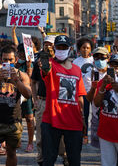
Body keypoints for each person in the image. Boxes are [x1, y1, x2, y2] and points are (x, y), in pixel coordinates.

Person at [39, 35, 87, 166]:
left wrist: (83, 118)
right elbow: (45, 71)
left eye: (64, 47)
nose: (61, 50)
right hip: (51, 121)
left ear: (69, 49)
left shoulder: (77, 70)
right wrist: (44, 64)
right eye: (58, 47)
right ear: (54, 48)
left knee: (74, 160)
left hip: (74, 121)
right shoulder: (50, 65)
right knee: (48, 159)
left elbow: (80, 96)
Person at [0, 45, 32, 166]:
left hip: (13, 120)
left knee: (11, 152)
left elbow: (28, 94)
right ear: (1, 60)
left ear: (15, 60)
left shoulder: (22, 75)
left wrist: (17, 80)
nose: (8, 62)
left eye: (10, 60)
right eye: (5, 60)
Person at [83, 47, 110, 148]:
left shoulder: (114, 73)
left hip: (112, 115)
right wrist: (94, 87)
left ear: (108, 58)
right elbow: (89, 99)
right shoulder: (89, 75)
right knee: (101, 147)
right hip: (97, 116)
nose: (100, 61)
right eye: (96, 58)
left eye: (102, 58)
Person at [73, 37, 94, 144]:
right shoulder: (76, 62)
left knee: (95, 115)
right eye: (83, 47)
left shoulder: (94, 61)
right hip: (82, 93)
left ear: (91, 49)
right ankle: (84, 135)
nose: (85, 50)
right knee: (83, 114)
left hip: (94, 92)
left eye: (88, 48)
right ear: (79, 49)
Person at [15, 44, 35, 153]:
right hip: (16, 95)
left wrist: (29, 66)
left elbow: (30, 79)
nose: (22, 54)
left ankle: (30, 142)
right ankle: (17, 140)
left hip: (27, 95)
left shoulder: (32, 64)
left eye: (24, 52)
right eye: (20, 52)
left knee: (29, 118)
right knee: (17, 118)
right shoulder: (15, 63)